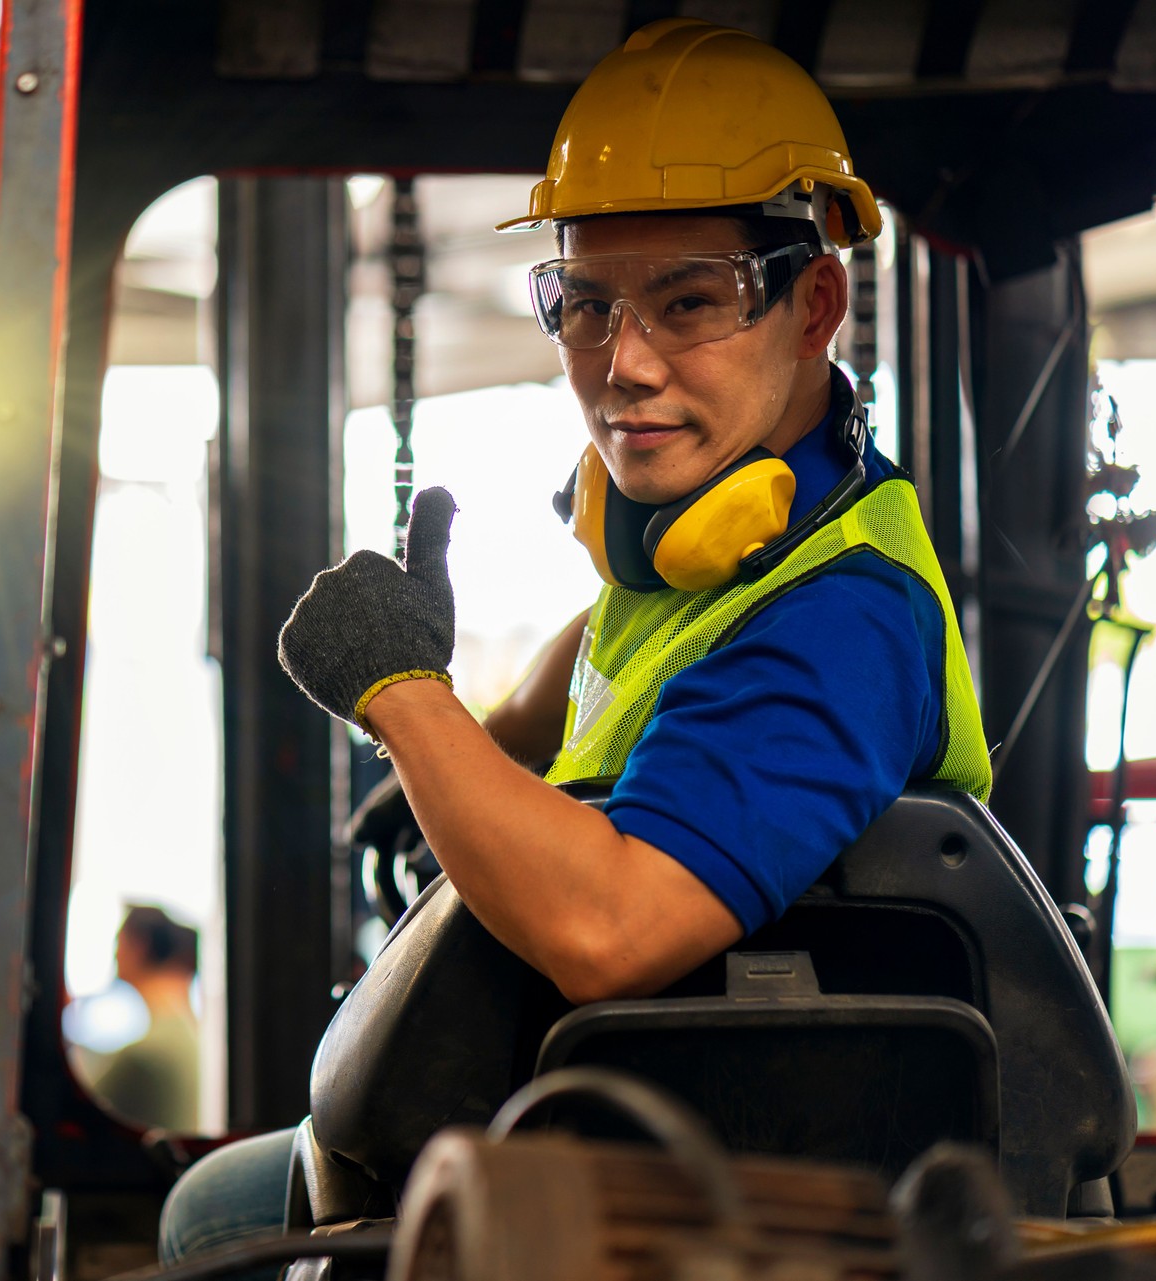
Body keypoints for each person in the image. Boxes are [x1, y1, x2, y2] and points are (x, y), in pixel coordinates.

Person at [162, 17, 991, 1262]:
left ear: (814, 303)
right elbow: (619, 665)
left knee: (202, 1217)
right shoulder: (717, 547)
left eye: (690, 303)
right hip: (606, 1140)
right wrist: (471, 758)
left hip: (714, 1205)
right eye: (585, 306)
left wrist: (402, 701)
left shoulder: (843, 617)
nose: (624, 367)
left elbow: (613, 929)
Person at [92, 905, 201, 1133]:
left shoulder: (143, 1056)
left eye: (118, 942)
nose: (114, 955)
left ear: (140, 945)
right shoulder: (191, 1031)